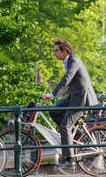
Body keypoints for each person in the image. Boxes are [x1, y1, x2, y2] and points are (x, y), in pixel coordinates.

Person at [41, 39, 98, 169]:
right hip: (75, 97)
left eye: (56, 51)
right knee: (54, 111)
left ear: (64, 51)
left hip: (82, 99)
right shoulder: (68, 61)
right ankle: (70, 136)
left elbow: (67, 79)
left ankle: (69, 159)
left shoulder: (74, 61)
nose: (54, 53)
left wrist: (52, 94)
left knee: (65, 126)